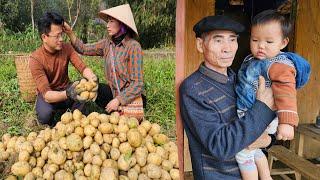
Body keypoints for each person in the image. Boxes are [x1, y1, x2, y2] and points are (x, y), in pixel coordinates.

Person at [179, 15, 276, 179]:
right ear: (200, 45)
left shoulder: (239, 80)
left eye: (232, 40)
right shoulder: (192, 89)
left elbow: (265, 131)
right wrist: (261, 108)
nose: (228, 48)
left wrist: (268, 139)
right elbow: (221, 146)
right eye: (218, 40)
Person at [235, 10, 310, 180]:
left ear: (283, 43)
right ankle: (266, 177)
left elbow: (286, 90)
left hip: (263, 117)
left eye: (269, 41)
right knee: (254, 150)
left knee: (242, 153)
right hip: (252, 113)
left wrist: (287, 122)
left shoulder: (277, 64)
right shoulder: (253, 60)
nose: (261, 46)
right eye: (255, 40)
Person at [63, 4, 145, 115]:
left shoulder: (133, 46)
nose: (107, 25)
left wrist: (118, 100)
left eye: (111, 21)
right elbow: (83, 49)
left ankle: (118, 110)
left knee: (125, 117)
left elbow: (138, 84)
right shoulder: (107, 44)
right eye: (108, 22)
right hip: (113, 93)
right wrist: (69, 33)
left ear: (122, 24)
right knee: (93, 87)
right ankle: (110, 112)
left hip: (129, 97)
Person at [29, 12, 97, 127]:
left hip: (66, 88)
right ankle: (54, 123)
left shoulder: (66, 48)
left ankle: (74, 120)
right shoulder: (36, 59)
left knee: (83, 96)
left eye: (62, 34)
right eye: (57, 36)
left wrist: (93, 78)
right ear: (44, 37)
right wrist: (68, 94)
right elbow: (46, 94)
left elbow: (82, 67)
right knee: (45, 115)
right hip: (50, 95)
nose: (61, 39)